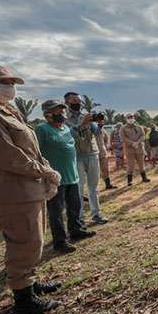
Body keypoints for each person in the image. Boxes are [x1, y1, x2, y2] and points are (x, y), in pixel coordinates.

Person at [0, 64, 64, 314]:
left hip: (30, 183)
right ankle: (24, 300)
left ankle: (29, 282)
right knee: (23, 239)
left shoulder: (8, 112)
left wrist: (46, 172)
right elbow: (9, 156)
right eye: (3, 81)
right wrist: (47, 173)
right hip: (14, 185)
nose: (10, 86)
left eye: (12, 81)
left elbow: (32, 151)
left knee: (35, 238)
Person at [35, 100, 96, 253]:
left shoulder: (65, 128)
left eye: (62, 111)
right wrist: (46, 175)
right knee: (56, 211)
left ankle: (76, 231)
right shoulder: (42, 130)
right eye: (56, 111)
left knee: (74, 206)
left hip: (72, 175)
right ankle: (60, 241)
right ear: (47, 114)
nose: (61, 114)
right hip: (55, 179)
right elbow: (36, 153)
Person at [63, 92, 108, 225]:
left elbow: (96, 133)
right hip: (76, 156)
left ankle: (96, 214)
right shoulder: (64, 118)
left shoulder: (86, 116)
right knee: (78, 189)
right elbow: (66, 134)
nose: (78, 103)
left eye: (79, 101)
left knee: (93, 186)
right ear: (67, 103)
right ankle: (80, 218)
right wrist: (81, 125)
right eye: (75, 101)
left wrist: (99, 125)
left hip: (92, 153)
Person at [122, 113, 150, 186]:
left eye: (131, 117)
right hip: (129, 150)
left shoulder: (139, 127)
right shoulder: (123, 128)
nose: (130, 119)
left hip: (139, 148)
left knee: (141, 164)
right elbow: (123, 138)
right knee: (130, 165)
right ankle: (129, 181)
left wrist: (137, 143)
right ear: (126, 119)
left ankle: (144, 178)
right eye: (129, 118)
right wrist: (132, 143)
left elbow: (143, 136)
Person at [95, 114, 117, 190]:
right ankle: (94, 188)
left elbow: (106, 139)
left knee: (105, 169)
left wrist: (104, 146)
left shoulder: (102, 130)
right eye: (100, 121)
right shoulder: (92, 129)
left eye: (102, 121)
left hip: (102, 152)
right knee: (94, 171)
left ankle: (108, 184)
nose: (101, 122)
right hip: (93, 153)